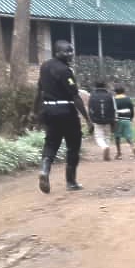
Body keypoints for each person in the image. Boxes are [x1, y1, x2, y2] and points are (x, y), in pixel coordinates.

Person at [34, 40, 93, 193]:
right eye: (66, 51)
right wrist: (87, 119)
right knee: (73, 145)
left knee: (51, 142)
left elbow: (39, 91)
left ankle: (45, 169)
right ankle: (71, 182)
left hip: (49, 110)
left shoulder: (45, 67)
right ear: (57, 52)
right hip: (66, 111)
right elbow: (75, 96)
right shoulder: (65, 71)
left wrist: (36, 112)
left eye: (71, 51)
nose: (70, 54)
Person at [88, 80, 116, 161]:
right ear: (105, 86)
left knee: (99, 137)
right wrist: (114, 119)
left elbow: (90, 109)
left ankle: (104, 147)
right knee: (107, 135)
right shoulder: (110, 95)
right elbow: (114, 108)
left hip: (97, 120)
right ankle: (107, 149)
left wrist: (91, 119)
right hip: (108, 119)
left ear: (95, 87)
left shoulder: (92, 95)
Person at [113, 85, 135, 160]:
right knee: (128, 136)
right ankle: (133, 146)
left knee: (117, 137)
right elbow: (132, 109)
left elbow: (112, 110)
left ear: (115, 92)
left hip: (118, 119)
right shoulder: (128, 99)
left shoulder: (114, 99)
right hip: (127, 119)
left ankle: (119, 153)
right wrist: (130, 118)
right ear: (124, 91)